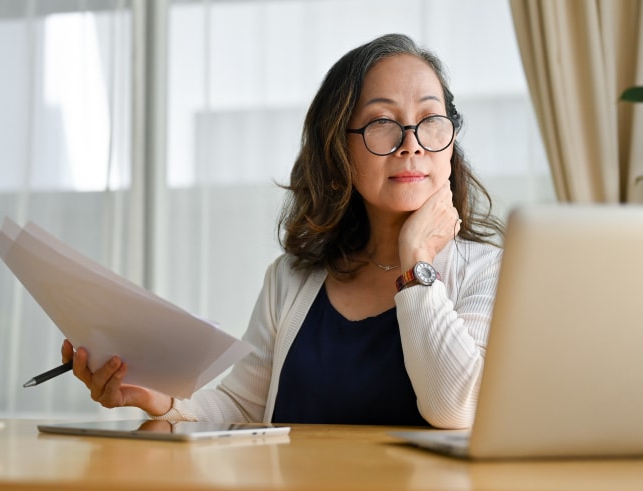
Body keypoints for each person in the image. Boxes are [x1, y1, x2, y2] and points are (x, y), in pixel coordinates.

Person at [62, 33, 504, 429]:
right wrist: (163, 401)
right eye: (382, 123)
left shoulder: (487, 270)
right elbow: (241, 406)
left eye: (430, 119)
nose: (411, 142)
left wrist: (416, 262)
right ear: (340, 151)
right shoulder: (289, 279)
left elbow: (454, 408)